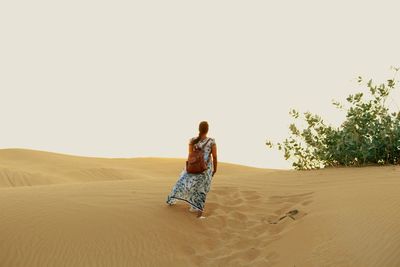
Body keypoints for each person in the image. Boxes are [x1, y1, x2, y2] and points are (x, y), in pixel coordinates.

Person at [166, 121, 217, 219]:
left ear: (199, 129)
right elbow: (214, 157)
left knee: (183, 183)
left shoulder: (192, 140)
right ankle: (199, 214)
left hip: (192, 166)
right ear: (207, 130)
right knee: (201, 189)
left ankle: (172, 200)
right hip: (205, 169)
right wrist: (215, 169)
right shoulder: (211, 141)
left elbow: (190, 155)